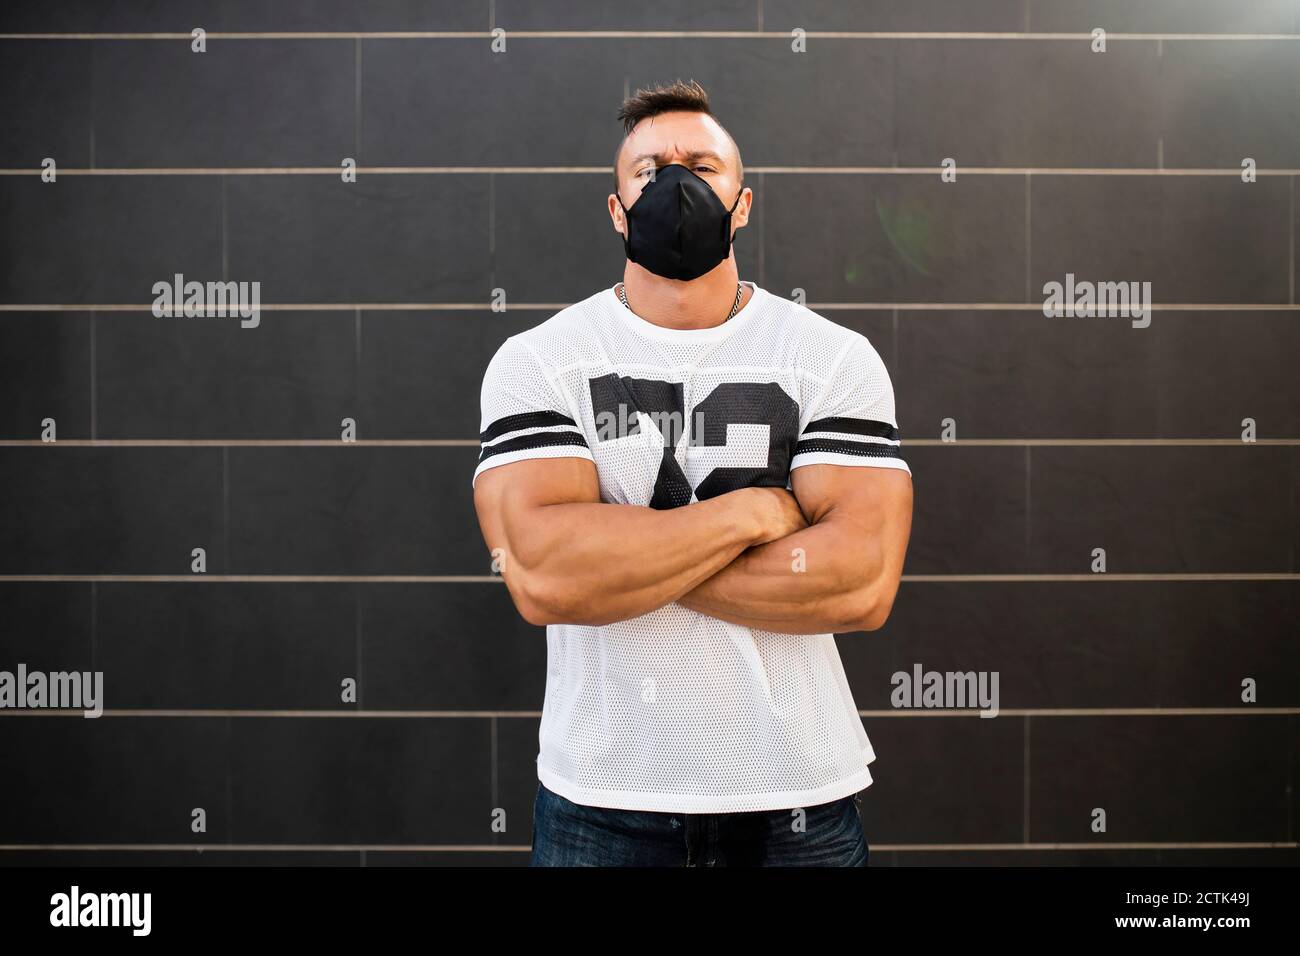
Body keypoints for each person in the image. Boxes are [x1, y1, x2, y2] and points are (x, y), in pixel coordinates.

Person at [471, 79, 913, 866]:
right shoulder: (541, 360)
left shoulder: (830, 357)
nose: (675, 184)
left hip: (795, 802)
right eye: (648, 171)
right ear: (616, 210)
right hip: (602, 804)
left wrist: (617, 563)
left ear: (742, 205)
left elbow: (859, 581)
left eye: (701, 166)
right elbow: (543, 575)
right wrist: (747, 518)